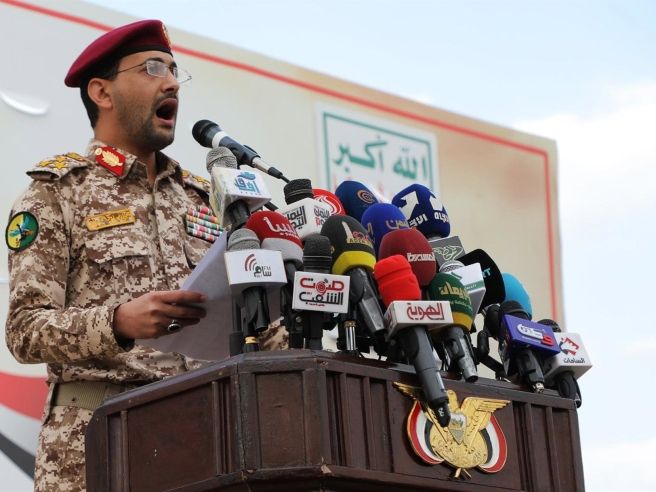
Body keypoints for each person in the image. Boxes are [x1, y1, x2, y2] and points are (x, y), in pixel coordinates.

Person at [4, 19, 285, 491]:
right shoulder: (57, 193)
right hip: (95, 445)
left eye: (175, 71)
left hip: (208, 442)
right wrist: (118, 322)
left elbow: (256, 325)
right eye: (153, 68)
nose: (172, 82)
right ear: (102, 92)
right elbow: (25, 330)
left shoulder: (208, 199)